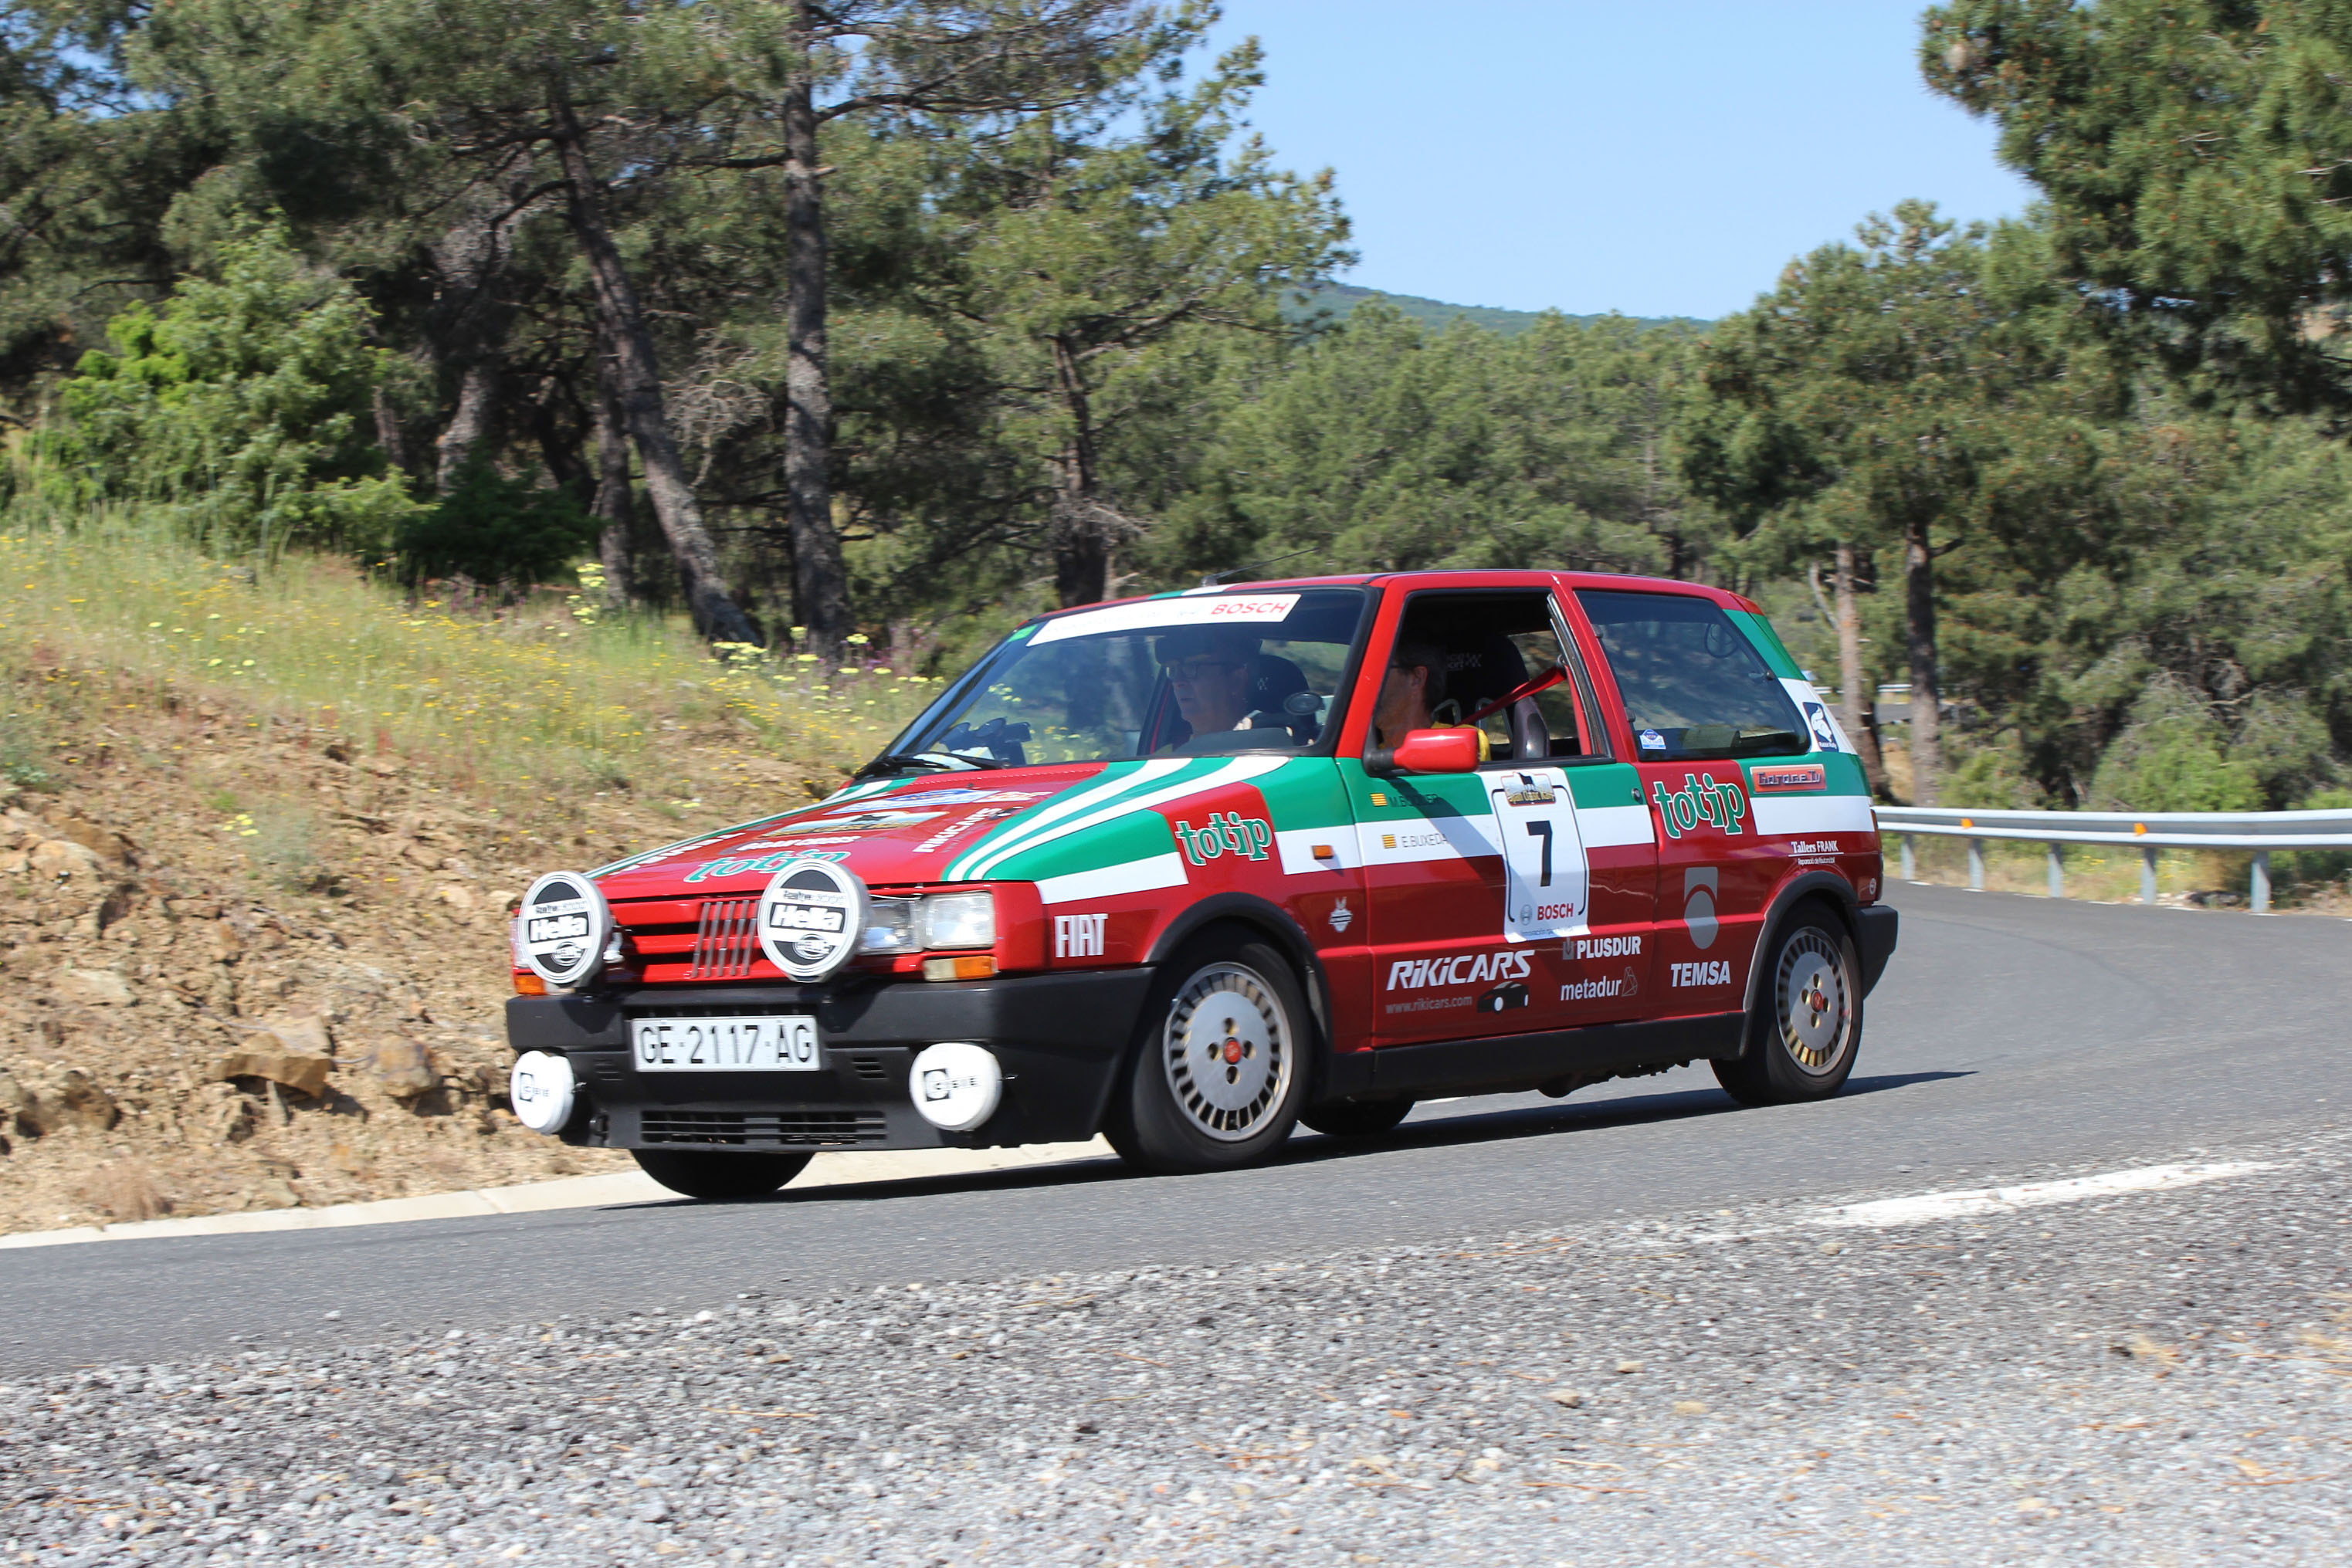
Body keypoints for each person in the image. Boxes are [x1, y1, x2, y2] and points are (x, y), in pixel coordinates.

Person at [1156, 625, 1261, 740]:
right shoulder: (1164, 756)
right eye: (1173, 670)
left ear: (1237, 681)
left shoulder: (1272, 748)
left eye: (1192, 667)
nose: (1177, 681)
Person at [1374, 639, 1449, 747]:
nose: (1367, 681)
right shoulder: (1360, 758)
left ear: (1417, 679)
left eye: (1379, 670)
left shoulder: (1462, 741)